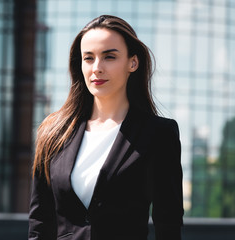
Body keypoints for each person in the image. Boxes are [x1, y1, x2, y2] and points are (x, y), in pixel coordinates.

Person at [28, 15, 183, 240]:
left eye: (109, 57)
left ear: (133, 62)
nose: (97, 68)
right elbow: (40, 221)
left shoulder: (159, 134)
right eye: (88, 58)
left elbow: (168, 223)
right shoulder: (53, 132)